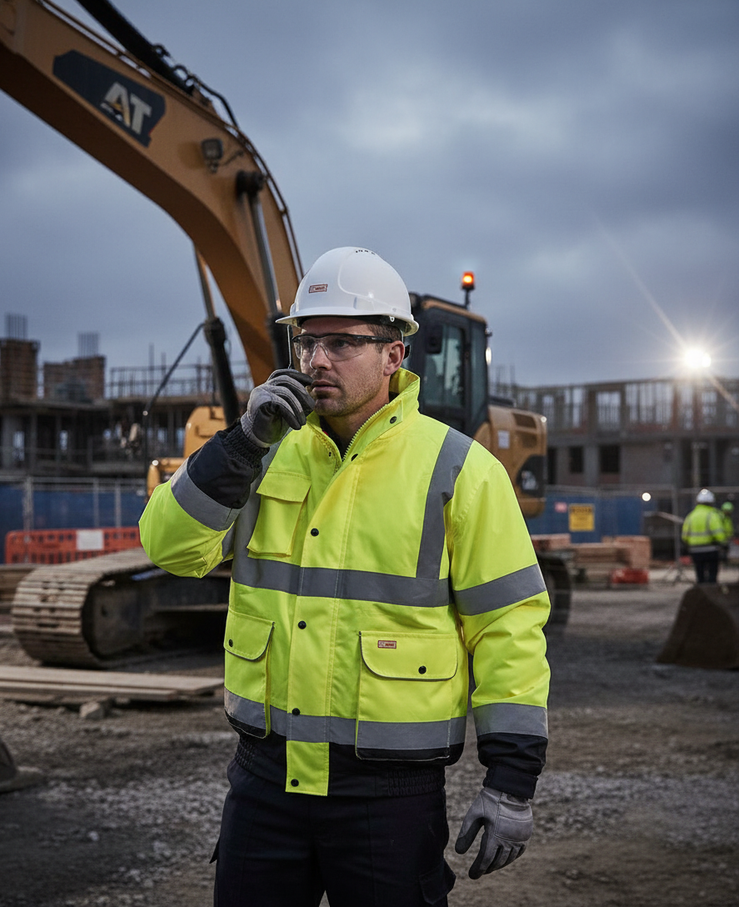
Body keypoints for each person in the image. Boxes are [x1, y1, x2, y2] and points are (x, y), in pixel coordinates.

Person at [139, 246, 551, 906]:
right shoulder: (261, 453)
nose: (316, 360)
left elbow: (509, 628)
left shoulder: (459, 470)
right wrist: (242, 442)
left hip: (388, 797)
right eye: (307, 342)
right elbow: (168, 547)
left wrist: (511, 779)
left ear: (394, 354)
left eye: (341, 343)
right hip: (263, 783)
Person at [681, 488, 728, 584]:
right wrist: (724, 543)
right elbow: (718, 533)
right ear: (711, 502)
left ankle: (701, 594)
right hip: (711, 550)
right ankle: (711, 593)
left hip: (695, 551)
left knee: (700, 575)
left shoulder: (691, 516)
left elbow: (685, 536)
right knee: (712, 576)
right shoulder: (712, 515)